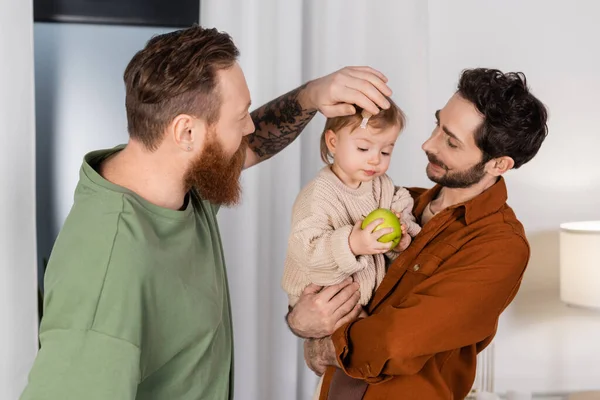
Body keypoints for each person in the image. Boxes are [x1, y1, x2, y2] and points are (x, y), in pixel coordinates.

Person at [20, 25, 390, 400]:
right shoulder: (107, 272)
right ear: (186, 133)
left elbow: (249, 145)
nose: (249, 127)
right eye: (241, 116)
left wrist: (313, 95)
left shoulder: (168, 177)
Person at [286, 68, 549, 400]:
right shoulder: (394, 201)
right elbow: (317, 276)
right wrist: (300, 320)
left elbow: (397, 342)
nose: (428, 144)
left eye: (450, 141)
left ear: (499, 165)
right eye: (438, 124)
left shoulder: (500, 246)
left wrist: (326, 342)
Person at [281, 99, 421, 308]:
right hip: (324, 304)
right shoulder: (318, 195)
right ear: (333, 143)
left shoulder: (381, 185)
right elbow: (306, 250)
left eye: (385, 152)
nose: (375, 159)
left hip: (366, 302)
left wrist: (401, 239)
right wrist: (351, 244)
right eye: (363, 148)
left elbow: (401, 208)